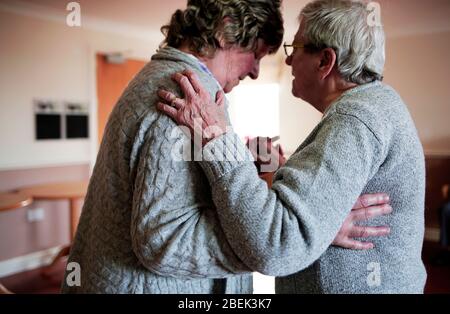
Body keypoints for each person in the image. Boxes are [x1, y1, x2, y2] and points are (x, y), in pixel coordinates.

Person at [62, 0, 391, 294]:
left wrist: (246, 161)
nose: (255, 71)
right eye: (257, 54)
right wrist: (301, 237)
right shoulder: (186, 90)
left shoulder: (170, 80)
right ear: (226, 31)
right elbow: (165, 241)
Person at [157, 0, 426, 293]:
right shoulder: (375, 106)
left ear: (325, 61)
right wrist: (281, 173)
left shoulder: (355, 118)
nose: (287, 61)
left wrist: (216, 139)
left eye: (294, 49)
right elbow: (315, 205)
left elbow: (278, 245)